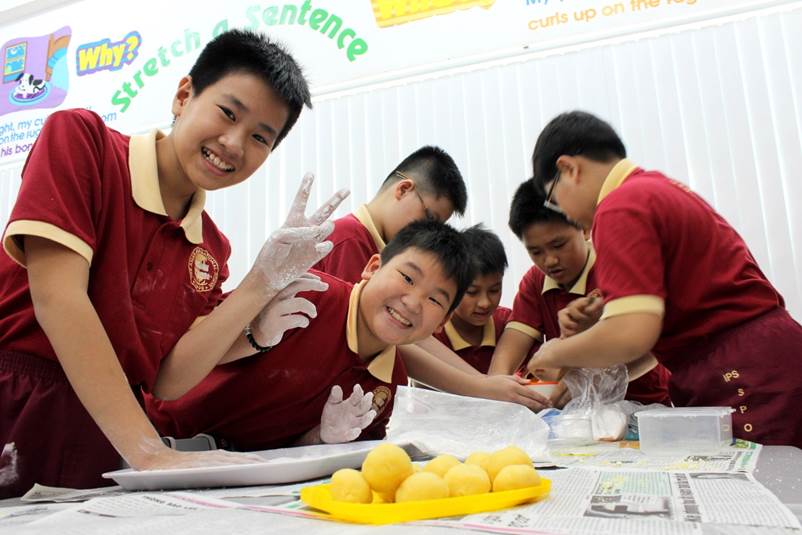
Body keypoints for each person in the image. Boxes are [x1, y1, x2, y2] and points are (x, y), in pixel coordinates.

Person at [0, 29, 348, 497]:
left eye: (260, 137)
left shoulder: (211, 247)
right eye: (228, 113)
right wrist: (147, 449)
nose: (233, 143)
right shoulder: (84, 143)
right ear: (184, 95)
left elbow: (167, 379)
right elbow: (58, 300)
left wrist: (259, 286)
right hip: (17, 404)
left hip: (102, 438)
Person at [527, 110, 802, 446]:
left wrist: (556, 352)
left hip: (745, 370)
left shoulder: (619, 207)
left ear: (569, 169)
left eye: (556, 201)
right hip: (756, 358)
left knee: (770, 491)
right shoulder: (652, 189)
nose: (566, 214)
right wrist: (603, 328)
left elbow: (632, 335)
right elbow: (651, 336)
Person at [146, 220, 476, 449]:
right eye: (407, 278)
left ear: (441, 322)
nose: (413, 302)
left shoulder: (389, 386)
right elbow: (177, 353)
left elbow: (291, 454)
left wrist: (320, 438)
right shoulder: (307, 293)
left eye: (435, 299)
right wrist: (251, 335)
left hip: (233, 482)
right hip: (156, 437)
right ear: (372, 267)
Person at [314, 148, 547, 408]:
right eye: (430, 219)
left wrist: (485, 385)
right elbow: (389, 338)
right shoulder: (350, 240)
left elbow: (414, 333)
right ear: (403, 189)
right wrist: (479, 387)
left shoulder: (379, 249)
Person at [488, 178, 671, 406]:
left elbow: (655, 345)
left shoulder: (619, 267)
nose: (550, 260)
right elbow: (509, 351)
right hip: (576, 414)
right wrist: (496, 393)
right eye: (535, 251)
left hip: (643, 405)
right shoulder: (536, 281)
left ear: (584, 228)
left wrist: (589, 380)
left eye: (559, 245)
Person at [432, 224, 511, 375]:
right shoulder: (430, 332)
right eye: (472, 292)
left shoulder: (510, 325)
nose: (485, 303)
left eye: (494, 290)